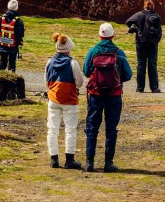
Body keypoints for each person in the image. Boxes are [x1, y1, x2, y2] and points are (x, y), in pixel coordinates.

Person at [82, 23, 132, 173]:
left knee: (92, 128)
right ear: (112, 36)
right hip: (114, 96)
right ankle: (108, 163)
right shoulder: (119, 53)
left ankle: (89, 162)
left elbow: (86, 71)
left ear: (100, 36)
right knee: (111, 129)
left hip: (95, 95)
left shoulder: (93, 52)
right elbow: (128, 75)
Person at [46, 32, 84, 170]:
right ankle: (70, 159)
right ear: (68, 49)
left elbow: (47, 81)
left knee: (52, 129)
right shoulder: (73, 63)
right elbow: (79, 83)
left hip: (53, 99)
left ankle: (54, 159)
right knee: (70, 130)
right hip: (70, 100)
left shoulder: (49, 62)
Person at [126, 0, 163, 93]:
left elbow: (128, 21)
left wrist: (135, 28)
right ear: (153, 6)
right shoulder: (157, 16)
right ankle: (154, 87)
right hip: (153, 43)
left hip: (141, 41)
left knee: (141, 64)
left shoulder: (140, 14)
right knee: (152, 64)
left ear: (144, 6)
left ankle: (140, 87)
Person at [0, 0, 24, 72]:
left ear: (8, 7)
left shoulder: (1, 18)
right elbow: (21, 34)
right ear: (17, 8)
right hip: (13, 47)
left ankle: (0, 80)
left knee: (2, 64)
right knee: (12, 65)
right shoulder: (18, 21)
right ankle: (11, 81)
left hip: (2, 46)